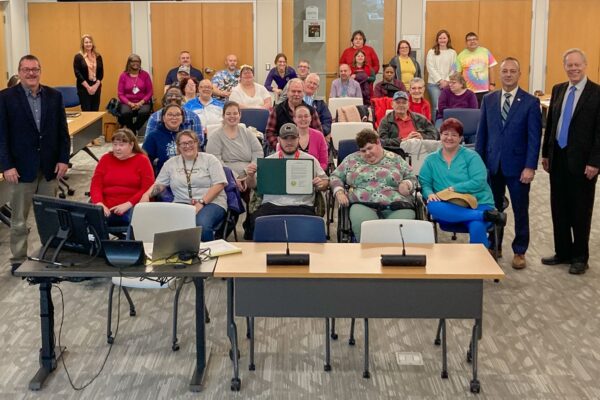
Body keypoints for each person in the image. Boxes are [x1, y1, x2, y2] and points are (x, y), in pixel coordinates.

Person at [0, 54, 70, 273]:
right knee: (19, 218)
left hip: (50, 167)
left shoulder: (54, 96)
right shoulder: (5, 98)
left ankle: (50, 254)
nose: (31, 73)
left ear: (40, 71)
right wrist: (6, 166)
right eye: (26, 69)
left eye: (35, 69)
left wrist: (63, 159)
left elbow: (62, 132)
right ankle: (18, 259)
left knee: (50, 216)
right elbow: (1, 136)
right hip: (20, 169)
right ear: (19, 72)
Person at [476, 57, 542, 270]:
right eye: (505, 71)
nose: (508, 74)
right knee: (493, 208)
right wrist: (479, 165)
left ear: (519, 74)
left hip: (518, 167)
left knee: (521, 209)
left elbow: (534, 138)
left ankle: (520, 250)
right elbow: (482, 134)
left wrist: (530, 166)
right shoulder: (489, 99)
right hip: (492, 165)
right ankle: (494, 245)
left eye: (513, 71)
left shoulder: (531, 102)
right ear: (500, 73)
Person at [541, 48, 600, 275]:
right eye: (569, 65)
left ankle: (580, 257)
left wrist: (595, 162)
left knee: (580, 210)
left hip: (584, 163)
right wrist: (545, 154)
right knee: (559, 207)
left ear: (585, 65)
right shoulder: (558, 90)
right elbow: (552, 126)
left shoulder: (596, 93)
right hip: (558, 158)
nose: (573, 68)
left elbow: (599, 133)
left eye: (577, 65)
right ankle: (563, 252)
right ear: (564, 66)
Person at [419, 118, 505, 247]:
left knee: (477, 226)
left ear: (460, 138)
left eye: (454, 135)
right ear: (440, 135)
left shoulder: (472, 156)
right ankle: (485, 216)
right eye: (446, 134)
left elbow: (479, 182)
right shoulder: (430, 160)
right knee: (432, 206)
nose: (449, 138)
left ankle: (478, 264)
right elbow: (425, 183)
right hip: (448, 206)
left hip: (478, 202)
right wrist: (429, 193)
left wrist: (454, 189)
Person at [244, 123, 329, 239]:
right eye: (285, 138)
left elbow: (325, 182)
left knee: (313, 229)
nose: (289, 142)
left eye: (293, 138)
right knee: (255, 223)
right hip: (271, 206)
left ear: (298, 139)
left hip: (302, 206)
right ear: (279, 140)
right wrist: (250, 175)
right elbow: (253, 185)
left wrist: (321, 184)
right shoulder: (268, 161)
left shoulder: (310, 160)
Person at [330, 129, 417, 241]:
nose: (367, 153)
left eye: (370, 148)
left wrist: (407, 184)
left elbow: (412, 177)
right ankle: (369, 256)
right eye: (363, 150)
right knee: (368, 231)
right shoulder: (351, 159)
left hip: (397, 204)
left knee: (397, 233)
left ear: (378, 143)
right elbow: (335, 176)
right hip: (362, 203)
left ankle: (393, 257)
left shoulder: (395, 159)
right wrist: (339, 192)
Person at [142, 130, 227, 242]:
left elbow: (219, 184)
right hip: (182, 203)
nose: (188, 146)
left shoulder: (210, 159)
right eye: (183, 144)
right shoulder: (170, 163)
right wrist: (146, 195)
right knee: (165, 223)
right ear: (178, 146)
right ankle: (177, 253)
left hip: (211, 202)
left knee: (201, 224)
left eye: (191, 142)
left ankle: (210, 253)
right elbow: (159, 184)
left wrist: (201, 203)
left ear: (197, 143)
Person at [90, 128, 154, 227]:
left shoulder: (142, 160)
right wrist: (99, 204)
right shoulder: (105, 159)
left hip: (132, 205)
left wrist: (128, 204)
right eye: (115, 144)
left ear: (131, 145)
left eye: (121, 145)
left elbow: (147, 188)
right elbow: (96, 184)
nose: (117, 148)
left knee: (132, 222)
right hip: (106, 205)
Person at [206, 101, 263, 189]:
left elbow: (257, 151)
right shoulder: (215, 136)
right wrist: (234, 176)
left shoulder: (247, 132)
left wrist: (252, 167)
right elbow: (215, 161)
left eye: (235, 113)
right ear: (223, 116)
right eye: (228, 114)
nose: (232, 116)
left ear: (240, 116)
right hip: (226, 175)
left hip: (251, 173)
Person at [265, 78, 322, 151]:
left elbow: (318, 133)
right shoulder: (277, 110)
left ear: (303, 93)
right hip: (281, 151)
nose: (296, 94)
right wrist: (280, 147)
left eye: (299, 91)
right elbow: (269, 132)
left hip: (307, 151)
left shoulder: (311, 111)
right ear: (287, 92)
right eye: (293, 91)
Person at [455, 32, 497, 105]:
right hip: (468, 91)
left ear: (477, 41)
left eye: (474, 39)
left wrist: (492, 84)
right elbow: (458, 74)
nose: (472, 41)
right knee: (470, 113)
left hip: (484, 90)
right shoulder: (460, 55)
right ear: (466, 42)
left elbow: (491, 68)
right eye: (469, 40)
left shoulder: (485, 52)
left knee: (483, 113)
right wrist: (459, 88)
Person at [143, 103, 186, 174]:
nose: (174, 117)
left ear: (182, 118)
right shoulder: (153, 136)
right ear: (163, 118)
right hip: (162, 179)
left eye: (178, 115)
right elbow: (146, 162)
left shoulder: (188, 136)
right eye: (170, 115)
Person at [282, 105, 328, 170]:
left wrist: (313, 172)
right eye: (300, 116)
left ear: (311, 118)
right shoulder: (286, 135)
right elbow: (280, 161)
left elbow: (324, 163)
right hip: (290, 174)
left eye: (306, 116)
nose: (303, 119)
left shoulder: (319, 136)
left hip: (314, 176)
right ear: (294, 119)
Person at [117, 54, 153, 134]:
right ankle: (133, 132)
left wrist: (140, 103)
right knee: (125, 113)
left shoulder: (145, 75)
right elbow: (120, 94)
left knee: (144, 112)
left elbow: (150, 92)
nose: (135, 63)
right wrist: (130, 103)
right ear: (129, 63)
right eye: (133, 61)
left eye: (138, 61)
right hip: (127, 102)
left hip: (143, 102)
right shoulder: (123, 76)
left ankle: (133, 130)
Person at [426, 29, 457, 120]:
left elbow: (454, 68)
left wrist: (447, 81)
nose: (442, 40)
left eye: (444, 38)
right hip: (434, 84)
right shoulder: (431, 52)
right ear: (437, 40)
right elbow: (430, 67)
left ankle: (446, 127)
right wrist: (440, 80)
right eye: (440, 38)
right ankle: (436, 128)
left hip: (448, 84)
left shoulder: (452, 52)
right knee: (437, 106)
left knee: (448, 106)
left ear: (448, 39)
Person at [73, 34, 103, 111]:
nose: (88, 44)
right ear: (82, 44)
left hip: (96, 86)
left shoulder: (98, 56)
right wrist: (88, 88)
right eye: (86, 42)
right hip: (84, 88)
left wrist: (96, 86)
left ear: (92, 44)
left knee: (95, 111)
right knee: (87, 112)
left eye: (90, 42)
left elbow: (101, 73)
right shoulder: (78, 57)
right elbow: (77, 73)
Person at [302, 73, 332, 138]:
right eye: (310, 82)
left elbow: (327, 122)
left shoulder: (321, 103)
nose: (312, 85)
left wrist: (318, 133)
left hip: (316, 136)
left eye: (315, 84)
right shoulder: (297, 99)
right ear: (304, 83)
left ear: (317, 88)